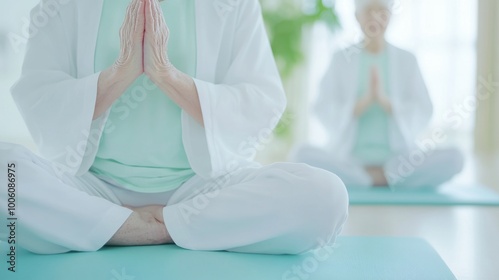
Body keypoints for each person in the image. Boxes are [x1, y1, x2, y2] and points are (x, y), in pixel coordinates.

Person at [0, 0, 348, 254]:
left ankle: (142, 224)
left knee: (325, 197)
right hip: (89, 185)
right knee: (6, 175)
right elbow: (38, 94)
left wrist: (167, 75)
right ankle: (140, 226)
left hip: (202, 190)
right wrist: (121, 72)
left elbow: (261, 100)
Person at [293, 0, 464, 189]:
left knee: (455, 158)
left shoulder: (407, 59)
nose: (375, 18)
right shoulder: (341, 58)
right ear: (357, 17)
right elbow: (322, 107)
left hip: (399, 160)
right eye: (369, 11)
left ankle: (367, 179)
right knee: (301, 154)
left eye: (381, 11)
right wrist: (360, 104)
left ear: (391, 16)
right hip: (350, 159)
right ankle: (378, 179)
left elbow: (424, 109)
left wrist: (386, 102)